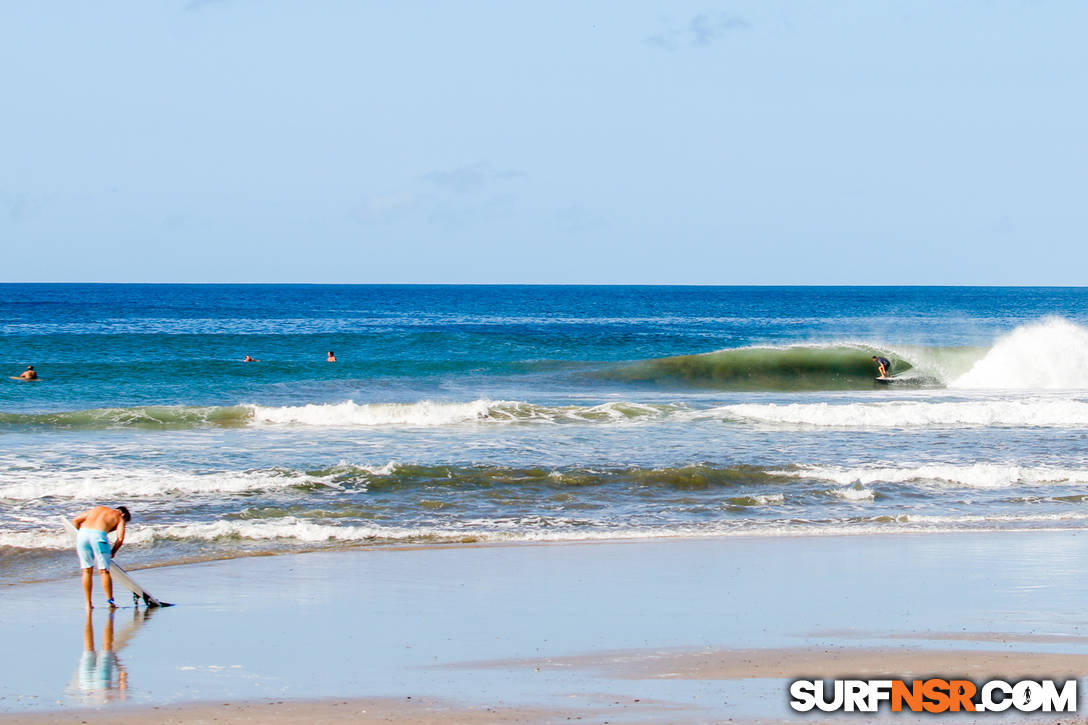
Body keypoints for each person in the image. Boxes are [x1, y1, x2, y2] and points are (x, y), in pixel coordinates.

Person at [72, 506, 131, 610]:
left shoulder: (97, 509)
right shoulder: (119, 516)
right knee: (104, 571)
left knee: (86, 571)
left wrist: (82, 533)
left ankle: (88, 603)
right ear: (123, 515)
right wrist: (113, 551)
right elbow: (120, 538)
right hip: (99, 537)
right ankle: (110, 602)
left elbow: (75, 520)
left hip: (82, 535)